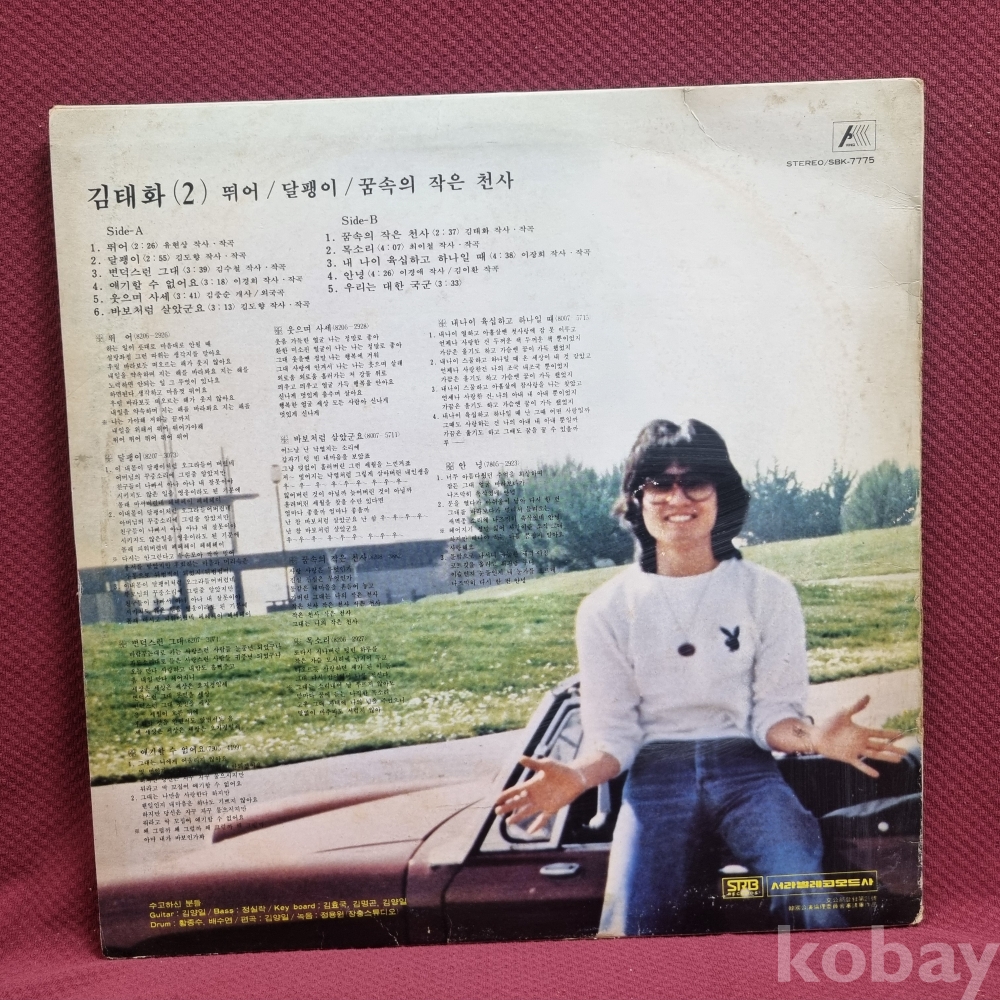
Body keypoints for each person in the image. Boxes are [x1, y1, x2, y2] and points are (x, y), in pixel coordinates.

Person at [494, 419, 906, 935]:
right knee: (630, 926)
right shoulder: (605, 608)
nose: (678, 498)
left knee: (805, 891)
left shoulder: (768, 592)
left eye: (695, 482)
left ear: (721, 493)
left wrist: (814, 738)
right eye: (659, 484)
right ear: (637, 498)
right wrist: (577, 777)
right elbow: (615, 737)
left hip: (748, 772)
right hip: (653, 779)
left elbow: (773, 716)